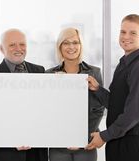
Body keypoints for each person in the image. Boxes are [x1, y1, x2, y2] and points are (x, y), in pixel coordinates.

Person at [86, 14, 139, 161]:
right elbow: (117, 104)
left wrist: (104, 136)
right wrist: (98, 89)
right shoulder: (123, 64)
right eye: (123, 32)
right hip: (119, 140)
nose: (126, 37)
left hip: (133, 145)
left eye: (133, 33)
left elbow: (134, 113)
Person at [0, 28, 48, 161]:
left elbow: (45, 110)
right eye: (12, 44)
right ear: (1, 49)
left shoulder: (39, 71)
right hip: (6, 153)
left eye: (22, 44)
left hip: (36, 151)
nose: (18, 48)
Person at [45, 27, 104, 161]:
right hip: (58, 144)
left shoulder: (94, 72)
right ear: (60, 47)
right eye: (66, 43)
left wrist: (80, 137)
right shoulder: (49, 75)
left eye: (75, 42)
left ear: (81, 45)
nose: (71, 47)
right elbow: (47, 110)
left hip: (86, 143)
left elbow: (98, 109)